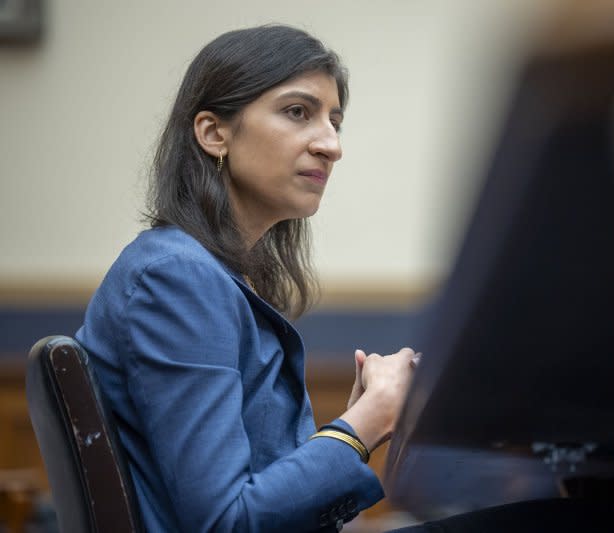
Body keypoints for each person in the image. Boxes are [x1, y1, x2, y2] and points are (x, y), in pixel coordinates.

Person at [75, 24, 417, 532]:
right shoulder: (175, 277)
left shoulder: (203, 272)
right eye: (298, 112)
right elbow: (225, 523)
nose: (331, 145)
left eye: (335, 121)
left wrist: (350, 427)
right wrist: (366, 425)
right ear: (215, 133)